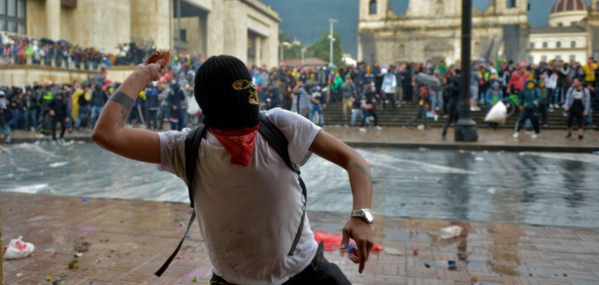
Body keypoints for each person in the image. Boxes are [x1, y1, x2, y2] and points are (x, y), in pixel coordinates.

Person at [91, 54, 374, 284]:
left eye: (249, 84)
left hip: (306, 274)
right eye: (240, 88)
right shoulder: (184, 147)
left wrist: (362, 216)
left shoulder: (281, 125)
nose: (250, 93)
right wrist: (143, 75)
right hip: (233, 281)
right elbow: (106, 133)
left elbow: (353, 160)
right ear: (213, 101)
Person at [441, 75, 460, 140]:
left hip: (450, 104)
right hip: (454, 104)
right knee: (455, 120)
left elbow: (444, 96)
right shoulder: (455, 86)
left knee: (449, 120)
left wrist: (446, 102)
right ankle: (457, 134)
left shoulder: (448, 87)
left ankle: (444, 133)